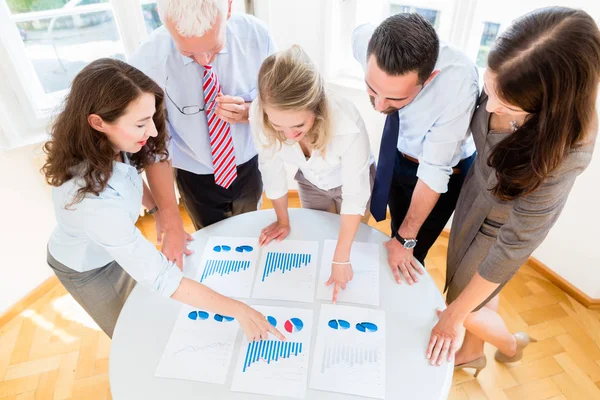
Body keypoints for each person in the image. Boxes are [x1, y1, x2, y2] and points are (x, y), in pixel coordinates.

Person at [43, 58, 285, 342]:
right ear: (98, 122)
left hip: (115, 242)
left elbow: (126, 177)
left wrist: (158, 209)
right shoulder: (93, 205)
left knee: (151, 310)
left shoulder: (109, 143)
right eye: (141, 123)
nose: (154, 132)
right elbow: (160, 277)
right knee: (131, 337)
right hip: (88, 267)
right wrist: (238, 310)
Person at [425, 7, 599, 371]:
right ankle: (475, 353)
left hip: (504, 226)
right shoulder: (505, 80)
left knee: (462, 299)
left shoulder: (568, 150)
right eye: (490, 86)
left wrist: (454, 315)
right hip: (475, 194)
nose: (490, 107)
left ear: (551, 107)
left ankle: (508, 344)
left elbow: (517, 243)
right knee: (478, 293)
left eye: (510, 105)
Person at [129, 0, 276, 269]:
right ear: (164, 21)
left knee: (249, 233)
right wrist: (171, 219)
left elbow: (277, 104)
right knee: (212, 244)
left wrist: (250, 113)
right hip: (193, 176)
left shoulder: (258, 37)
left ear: (229, 7)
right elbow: (154, 147)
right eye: (187, 52)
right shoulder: (146, 62)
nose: (203, 60)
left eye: (214, 48)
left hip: (249, 166)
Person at [352, 13, 479, 285]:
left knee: (410, 249)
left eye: (395, 97)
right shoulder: (363, 39)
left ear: (429, 79)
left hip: (444, 171)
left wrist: (405, 239)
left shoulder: (458, 83)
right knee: (396, 227)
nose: (378, 105)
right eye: (372, 89)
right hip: (396, 154)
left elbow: (435, 169)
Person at [250, 46, 375, 303]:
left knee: (351, 242)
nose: (287, 135)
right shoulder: (258, 113)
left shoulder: (346, 122)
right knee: (316, 234)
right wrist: (282, 220)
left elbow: (355, 195)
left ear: (316, 110)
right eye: (277, 126)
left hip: (351, 183)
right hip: (310, 180)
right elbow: (271, 168)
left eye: (298, 126)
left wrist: (341, 258)